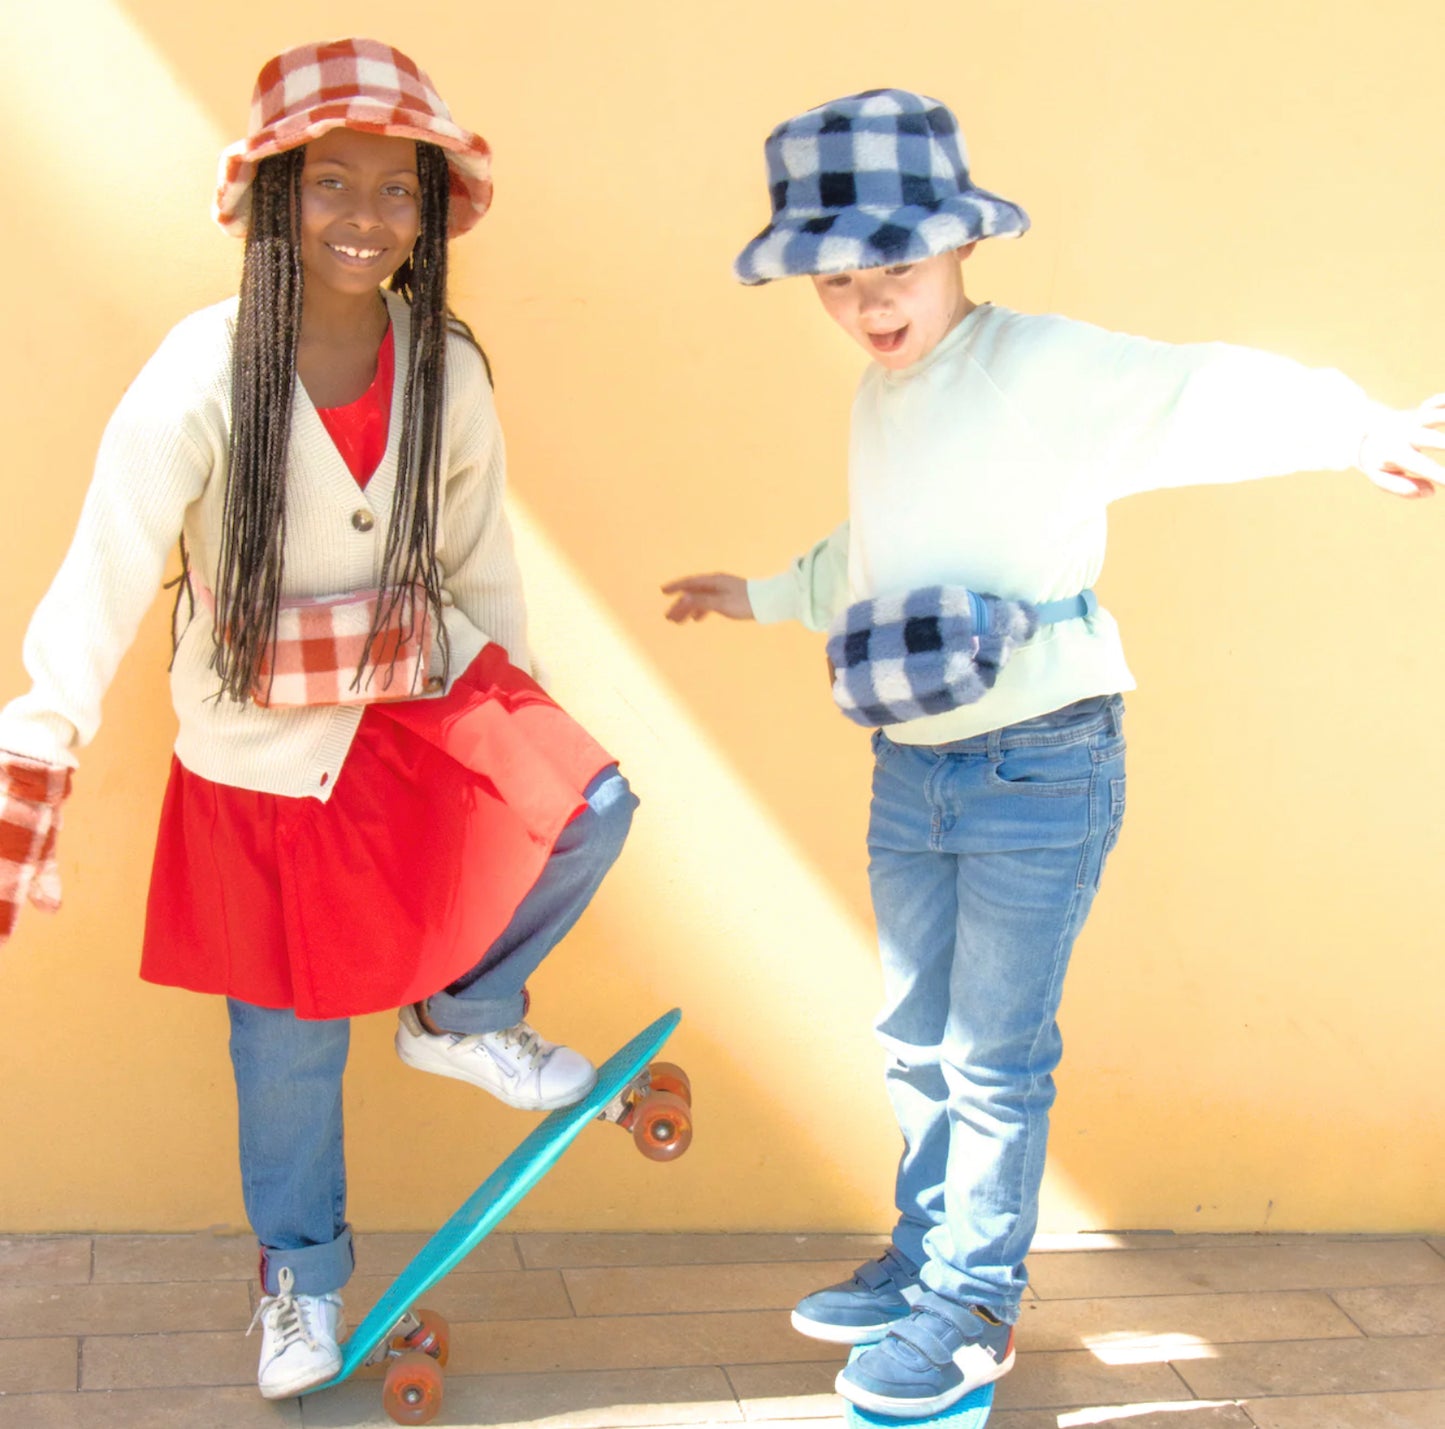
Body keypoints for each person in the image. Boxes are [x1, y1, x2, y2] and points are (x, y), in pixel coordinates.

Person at [662, 87, 1441, 1418]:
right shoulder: (878, 396)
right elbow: (874, 549)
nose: (864, 303)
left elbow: (1194, 390)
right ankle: (922, 1259)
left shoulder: (1038, 368)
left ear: (963, 245)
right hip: (912, 763)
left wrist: (1353, 428)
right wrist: (762, 591)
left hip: (1041, 760)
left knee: (989, 1053)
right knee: (911, 1038)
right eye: (834, 282)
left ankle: (970, 1308)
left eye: (892, 267)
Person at [0, 39, 637, 1401]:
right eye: (330, 182)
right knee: (286, 1044)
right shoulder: (200, 369)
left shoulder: (445, 367)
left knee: (589, 806)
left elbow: (477, 565)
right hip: (259, 753)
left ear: (430, 209)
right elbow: (107, 557)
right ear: (271, 197)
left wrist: (511, 738)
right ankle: (301, 1279)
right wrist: (42, 729)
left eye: (395, 189)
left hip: (413, 699)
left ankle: (459, 1012)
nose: (365, 217)